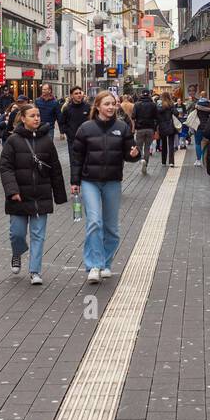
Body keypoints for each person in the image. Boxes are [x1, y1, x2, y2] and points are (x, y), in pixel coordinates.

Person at [69, 91, 139, 285]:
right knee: (94, 222)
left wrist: (134, 154)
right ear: (97, 106)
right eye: (106, 104)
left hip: (112, 181)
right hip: (89, 181)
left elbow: (129, 154)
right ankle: (93, 266)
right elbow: (77, 158)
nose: (111, 107)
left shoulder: (122, 127)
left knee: (111, 228)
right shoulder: (86, 128)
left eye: (113, 104)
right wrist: (75, 182)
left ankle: (106, 263)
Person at [0, 103, 68, 285]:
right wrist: (12, 191)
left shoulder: (46, 140)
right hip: (19, 196)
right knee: (17, 234)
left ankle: (35, 271)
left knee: (38, 235)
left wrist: (59, 195)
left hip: (40, 196)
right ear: (23, 118)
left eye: (38, 115)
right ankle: (17, 252)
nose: (36, 118)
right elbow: (6, 168)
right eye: (32, 115)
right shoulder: (13, 140)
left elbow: (55, 169)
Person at [132, 90, 159, 174]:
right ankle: (146, 163)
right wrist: (156, 130)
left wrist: (134, 127)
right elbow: (157, 117)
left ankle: (141, 159)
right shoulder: (153, 105)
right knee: (147, 147)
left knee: (139, 146)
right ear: (149, 95)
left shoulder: (137, 104)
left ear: (141, 95)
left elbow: (133, 116)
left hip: (140, 129)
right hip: (150, 129)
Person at [188, 97, 210, 167]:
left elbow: (190, 113)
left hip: (199, 127)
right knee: (209, 143)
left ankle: (198, 160)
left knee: (198, 143)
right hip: (209, 127)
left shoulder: (196, 107)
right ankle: (209, 159)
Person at [156, 93, 181, 168]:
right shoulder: (171, 105)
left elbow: (156, 115)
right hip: (171, 126)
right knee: (171, 145)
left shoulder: (160, 105)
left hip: (162, 127)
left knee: (163, 144)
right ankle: (171, 162)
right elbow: (176, 113)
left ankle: (163, 162)